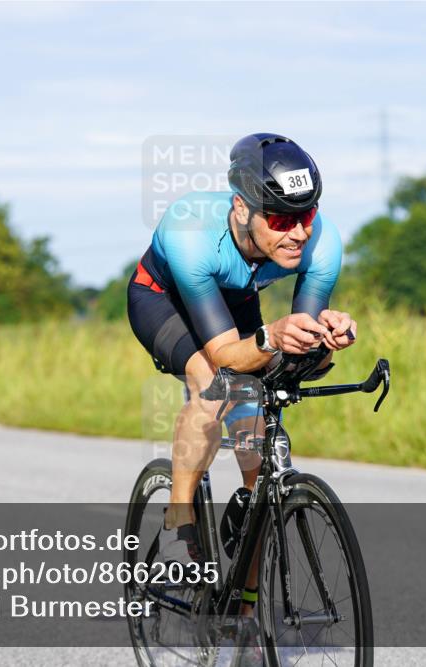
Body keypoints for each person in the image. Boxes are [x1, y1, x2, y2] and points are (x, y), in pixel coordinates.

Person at [127, 132, 356, 615]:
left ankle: (244, 610)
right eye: (282, 220)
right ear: (241, 209)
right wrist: (271, 336)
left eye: (307, 216)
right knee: (211, 385)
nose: (299, 233)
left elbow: (294, 360)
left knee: (259, 457)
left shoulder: (324, 242)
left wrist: (324, 340)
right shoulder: (191, 231)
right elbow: (227, 356)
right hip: (163, 300)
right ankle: (177, 525)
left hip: (235, 301)